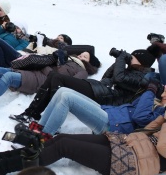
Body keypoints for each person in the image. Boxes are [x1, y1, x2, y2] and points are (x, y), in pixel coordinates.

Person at [0, 109, 166, 175]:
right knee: (62, 138)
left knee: (64, 146)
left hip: (133, 162)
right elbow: (144, 132)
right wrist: (162, 118)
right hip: (127, 144)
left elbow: (163, 148)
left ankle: (3, 166)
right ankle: (6, 157)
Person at [13, 48, 156, 124]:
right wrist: (117, 61)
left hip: (104, 99)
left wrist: (121, 60)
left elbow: (119, 78)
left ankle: (48, 120)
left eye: (133, 57)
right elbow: (106, 79)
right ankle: (31, 113)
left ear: (141, 62)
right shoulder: (131, 72)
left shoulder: (144, 78)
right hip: (99, 90)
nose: (130, 58)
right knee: (53, 77)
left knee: (57, 78)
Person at [0, 50, 100, 114]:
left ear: (89, 63)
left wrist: (57, 65)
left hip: (41, 81)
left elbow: (66, 82)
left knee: (7, 77)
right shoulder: (66, 59)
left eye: (85, 57)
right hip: (34, 73)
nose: (81, 56)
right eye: (81, 54)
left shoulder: (82, 72)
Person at [25, 79, 166, 138]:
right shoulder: (157, 104)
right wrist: (151, 94)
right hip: (109, 114)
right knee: (63, 91)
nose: (164, 91)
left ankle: (42, 141)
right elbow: (137, 106)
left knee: (67, 99)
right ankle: (38, 130)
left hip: (112, 126)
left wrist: (151, 91)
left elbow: (140, 117)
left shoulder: (162, 114)